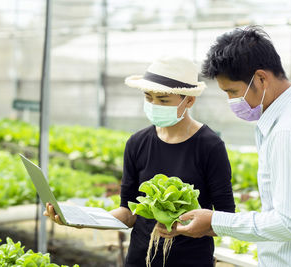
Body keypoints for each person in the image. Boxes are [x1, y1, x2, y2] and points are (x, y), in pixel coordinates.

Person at [159, 26, 291, 266]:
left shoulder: (288, 132)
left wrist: (215, 221)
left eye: (233, 91)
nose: (231, 102)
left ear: (260, 78)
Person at [44, 55, 235, 267]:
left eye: (163, 100)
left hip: (190, 261)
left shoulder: (209, 146)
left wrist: (191, 228)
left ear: (189, 100)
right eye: (148, 97)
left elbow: (226, 219)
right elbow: (128, 212)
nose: (154, 105)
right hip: (139, 258)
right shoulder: (137, 143)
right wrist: (85, 221)